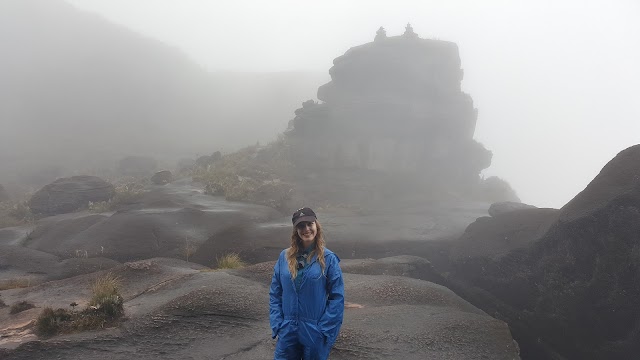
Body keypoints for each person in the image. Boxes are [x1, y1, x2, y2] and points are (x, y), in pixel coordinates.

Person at [270, 207, 345, 359]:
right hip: (288, 328)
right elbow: (275, 293)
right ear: (296, 230)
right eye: (301, 226)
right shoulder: (284, 256)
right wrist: (278, 324)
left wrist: (324, 329)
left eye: (309, 224)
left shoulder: (328, 258)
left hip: (315, 330)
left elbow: (337, 298)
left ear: (316, 225)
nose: (306, 229)